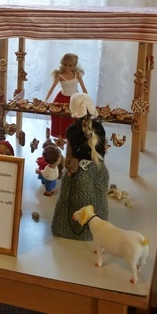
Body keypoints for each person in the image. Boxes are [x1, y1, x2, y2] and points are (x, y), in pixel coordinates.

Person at [51, 93, 109, 241]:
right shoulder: (99, 128)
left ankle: (70, 230)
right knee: (97, 201)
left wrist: (69, 166)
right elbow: (101, 152)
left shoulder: (72, 130)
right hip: (98, 170)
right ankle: (97, 230)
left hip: (78, 173)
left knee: (72, 202)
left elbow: (69, 156)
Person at [45, 53, 87, 138]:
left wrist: (87, 101)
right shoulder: (60, 76)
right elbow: (51, 89)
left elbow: (84, 90)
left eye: (70, 66)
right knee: (59, 118)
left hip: (75, 99)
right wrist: (45, 100)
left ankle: (72, 138)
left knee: (74, 119)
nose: (67, 68)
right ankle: (61, 138)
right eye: (65, 65)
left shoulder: (77, 75)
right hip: (61, 99)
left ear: (74, 65)